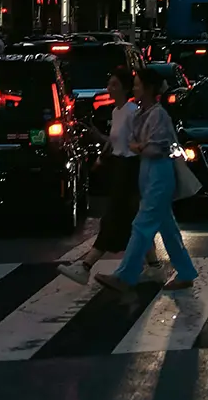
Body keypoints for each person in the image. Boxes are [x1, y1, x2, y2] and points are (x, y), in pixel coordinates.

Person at [59, 68, 163, 286]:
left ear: (125, 89)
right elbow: (117, 141)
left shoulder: (133, 112)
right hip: (119, 167)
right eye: (109, 84)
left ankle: (86, 266)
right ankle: (154, 266)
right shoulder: (117, 112)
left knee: (114, 218)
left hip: (131, 169)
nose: (109, 88)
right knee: (134, 221)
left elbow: (139, 142)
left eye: (114, 85)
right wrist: (100, 144)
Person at [101, 67, 197, 298]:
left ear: (148, 88)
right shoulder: (143, 113)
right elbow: (137, 144)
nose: (134, 88)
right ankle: (185, 272)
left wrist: (140, 146)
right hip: (149, 171)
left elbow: (154, 149)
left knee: (142, 224)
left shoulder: (158, 115)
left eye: (137, 84)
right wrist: (141, 146)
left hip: (159, 173)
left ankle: (125, 275)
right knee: (167, 227)